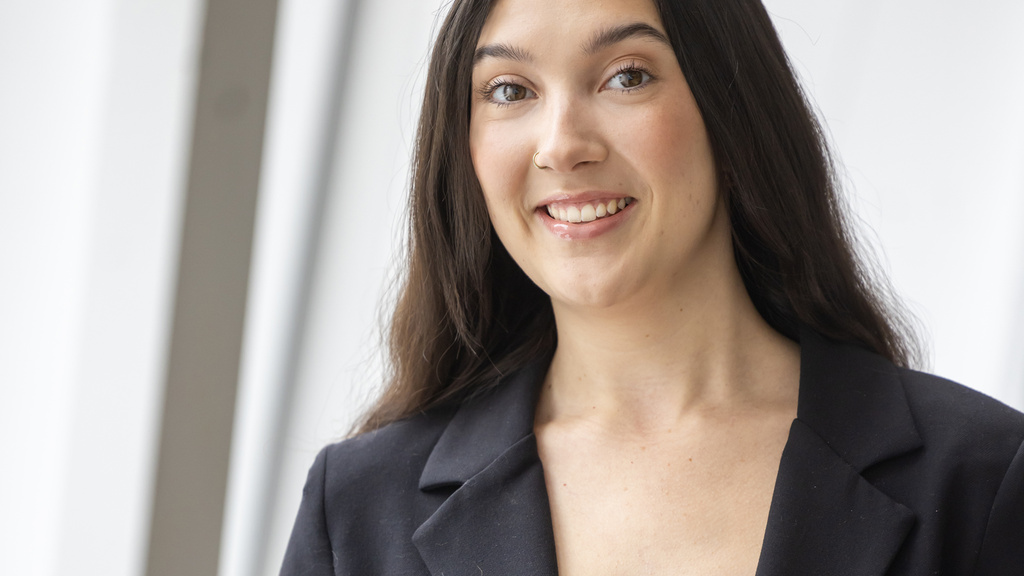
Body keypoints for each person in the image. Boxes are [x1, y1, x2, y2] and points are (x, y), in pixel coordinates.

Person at [280, 0, 1024, 574]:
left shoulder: (980, 478)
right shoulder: (357, 511)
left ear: (731, 111)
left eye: (626, 76)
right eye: (509, 89)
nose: (564, 143)